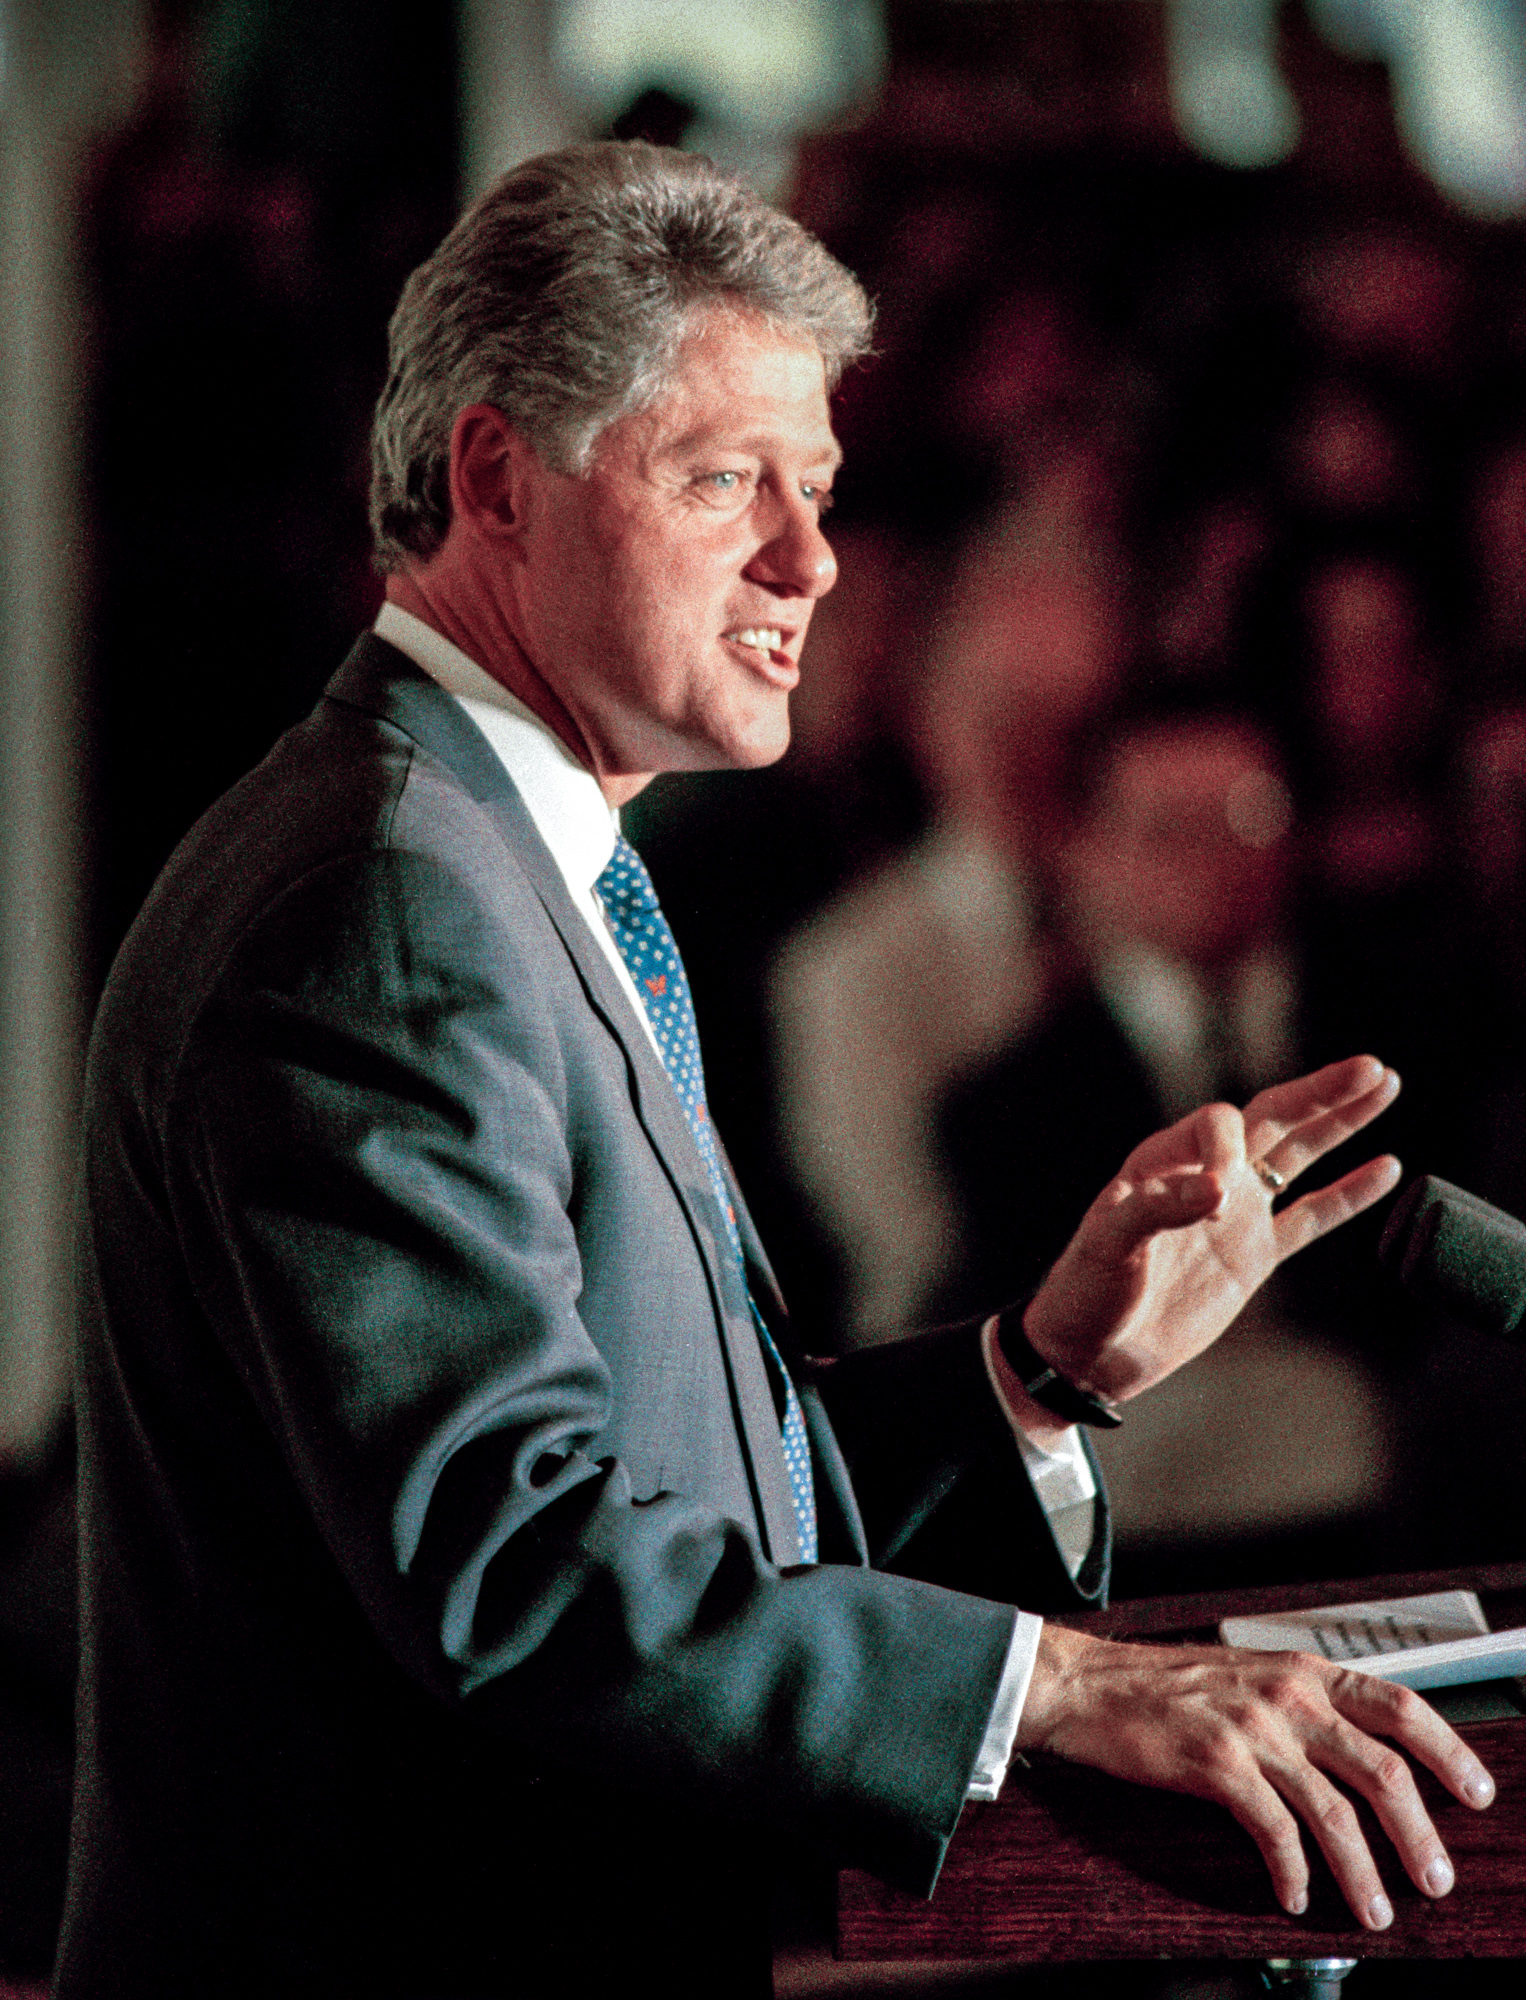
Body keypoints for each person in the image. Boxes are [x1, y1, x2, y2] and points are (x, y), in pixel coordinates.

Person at [57, 143, 1493, 2000]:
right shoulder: (389, 906)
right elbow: (515, 1563)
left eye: (815, 488)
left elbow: (659, 1488)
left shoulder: (479, 858)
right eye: (725, 479)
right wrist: (1058, 1679)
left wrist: (1030, 1376)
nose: (808, 561)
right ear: (498, 476)